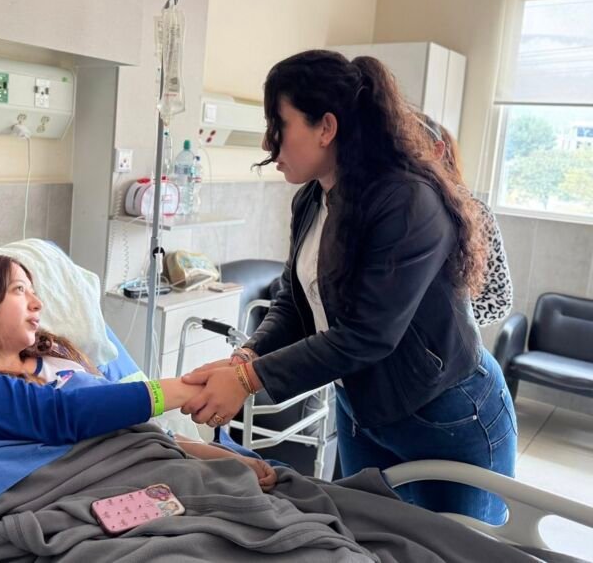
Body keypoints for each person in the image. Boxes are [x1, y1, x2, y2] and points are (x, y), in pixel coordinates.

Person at [181, 50, 517, 525]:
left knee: (453, 547)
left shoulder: (407, 202)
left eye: (279, 124)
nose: (268, 143)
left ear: (326, 127)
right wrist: (246, 356)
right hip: (364, 408)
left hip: (448, 414)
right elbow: (293, 301)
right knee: (366, 539)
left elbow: (368, 335)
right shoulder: (312, 200)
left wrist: (247, 381)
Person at [0, 254, 276, 486]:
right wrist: (191, 387)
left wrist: (224, 459)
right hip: (65, 498)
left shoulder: (62, 360)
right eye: (19, 290)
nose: (37, 303)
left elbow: (138, 430)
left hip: (147, 475)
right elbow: (59, 416)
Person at [416, 112, 513, 327]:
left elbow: (500, 299)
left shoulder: (475, 213)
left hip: (447, 343)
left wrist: (445, 322)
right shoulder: (391, 210)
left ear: (439, 153)